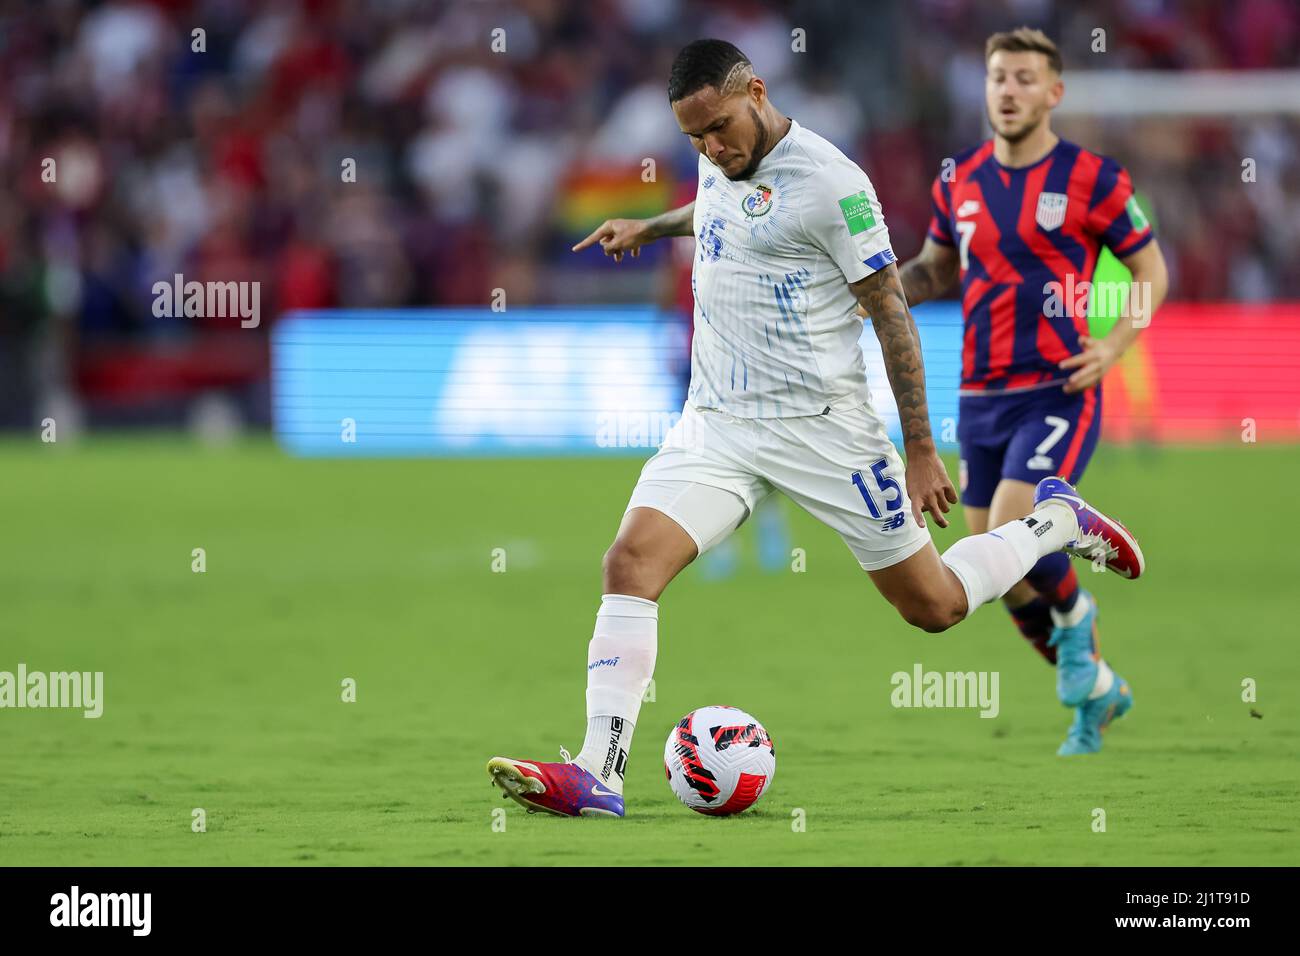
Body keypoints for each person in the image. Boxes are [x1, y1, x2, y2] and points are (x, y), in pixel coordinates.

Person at [487, 38, 1145, 817]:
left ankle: (1052, 521)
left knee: (932, 607)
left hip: (827, 432)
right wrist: (653, 227)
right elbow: (723, 207)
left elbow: (892, 314)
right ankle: (600, 771)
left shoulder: (835, 185)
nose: (712, 148)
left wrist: (922, 450)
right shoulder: (719, 154)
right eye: (695, 138)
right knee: (629, 562)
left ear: (757, 92)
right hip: (718, 422)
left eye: (722, 129)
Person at [887, 27, 1168, 754]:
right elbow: (933, 270)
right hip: (979, 393)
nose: (1007, 91)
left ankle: (1076, 620)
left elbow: (1151, 273)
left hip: (1057, 385)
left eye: (1022, 79)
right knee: (995, 568)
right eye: (997, 78)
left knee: (1014, 532)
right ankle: (1099, 691)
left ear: (1053, 93)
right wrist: (876, 292)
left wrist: (1112, 345)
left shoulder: (1094, 179)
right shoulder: (960, 181)